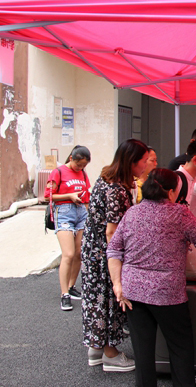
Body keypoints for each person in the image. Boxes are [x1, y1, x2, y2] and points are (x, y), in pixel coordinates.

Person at [107, 168, 196, 387]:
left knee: (142, 351)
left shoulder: (132, 213)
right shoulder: (179, 213)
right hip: (167, 292)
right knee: (180, 346)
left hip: (133, 291)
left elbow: (114, 250)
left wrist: (117, 284)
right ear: (171, 192)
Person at [81, 138, 149, 372]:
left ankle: (96, 348)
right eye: (143, 161)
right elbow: (112, 231)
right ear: (131, 162)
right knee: (110, 299)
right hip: (104, 253)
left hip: (92, 249)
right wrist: (118, 261)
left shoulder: (105, 177)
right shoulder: (117, 190)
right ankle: (110, 353)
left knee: (95, 299)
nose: (145, 166)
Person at [44, 145, 92, 311]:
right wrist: (69, 196)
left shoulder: (83, 174)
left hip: (81, 212)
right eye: (78, 165)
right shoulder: (58, 172)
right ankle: (64, 294)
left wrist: (88, 212)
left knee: (79, 253)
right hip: (64, 212)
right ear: (71, 158)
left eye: (84, 166)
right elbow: (48, 196)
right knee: (68, 254)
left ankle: (71, 286)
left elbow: (87, 195)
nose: (80, 168)